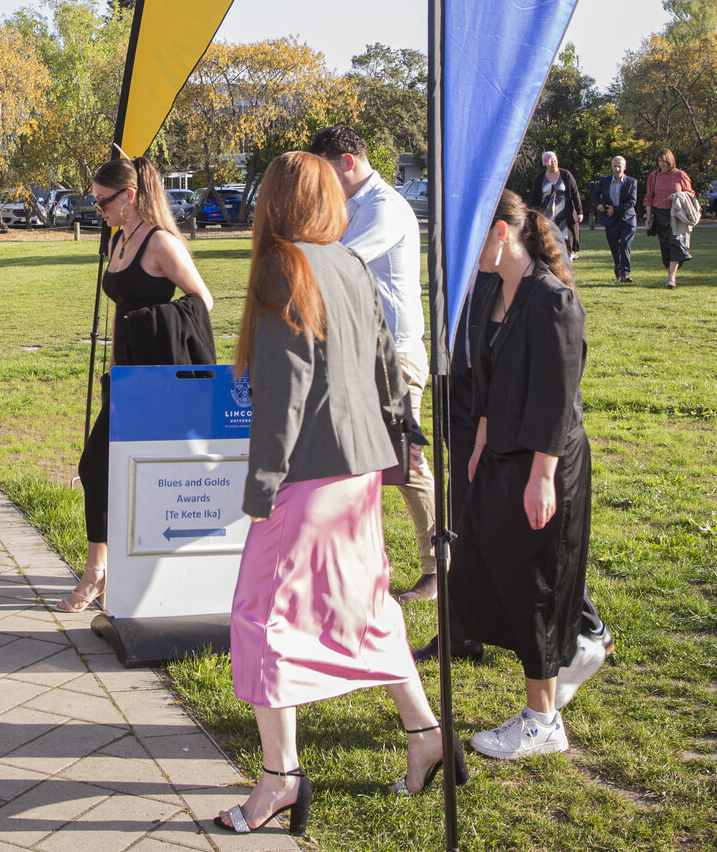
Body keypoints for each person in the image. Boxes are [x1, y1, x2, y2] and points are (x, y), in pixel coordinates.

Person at [215, 153, 461, 836]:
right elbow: (387, 365)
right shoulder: (349, 261)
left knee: (260, 616)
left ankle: (281, 776)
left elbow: (285, 384)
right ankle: (425, 731)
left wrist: (261, 482)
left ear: (273, 202)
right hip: (358, 471)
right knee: (366, 605)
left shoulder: (284, 264)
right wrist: (399, 435)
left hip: (307, 475)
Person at [448, 189, 608, 761]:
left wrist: (543, 474)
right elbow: (486, 373)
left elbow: (557, 398)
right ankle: (563, 666)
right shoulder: (497, 289)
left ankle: (542, 720)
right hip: (501, 454)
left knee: (538, 586)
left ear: (499, 232)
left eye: (474, 242)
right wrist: (484, 436)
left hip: (546, 462)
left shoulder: (552, 301)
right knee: (483, 571)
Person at [60, 152, 215, 613]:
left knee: (133, 471)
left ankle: (106, 571)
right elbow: (118, 307)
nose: (98, 210)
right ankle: (105, 568)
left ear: (129, 196)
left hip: (158, 377)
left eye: (104, 201)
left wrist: (148, 322)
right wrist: (113, 363)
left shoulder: (160, 243)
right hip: (125, 375)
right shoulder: (117, 239)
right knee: (99, 468)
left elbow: (201, 300)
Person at [308, 126, 439, 602]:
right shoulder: (351, 207)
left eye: (323, 170)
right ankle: (357, 568)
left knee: (407, 465)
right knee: (355, 465)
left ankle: (438, 569)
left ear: (346, 162)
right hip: (359, 352)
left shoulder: (384, 208)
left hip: (395, 358)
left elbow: (339, 263)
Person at [645, 149, 697, 288]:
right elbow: (649, 197)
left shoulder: (680, 175)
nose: (662, 164)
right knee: (665, 245)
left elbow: (690, 194)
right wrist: (648, 218)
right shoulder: (654, 176)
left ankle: (671, 278)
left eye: (664, 161)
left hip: (676, 215)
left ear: (670, 160)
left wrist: (678, 197)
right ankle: (670, 275)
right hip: (659, 214)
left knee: (676, 243)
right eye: (659, 161)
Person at [590, 155, 640, 284]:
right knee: (614, 247)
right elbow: (595, 195)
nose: (617, 169)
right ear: (611, 166)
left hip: (627, 219)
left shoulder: (631, 182)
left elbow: (632, 201)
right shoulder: (604, 181)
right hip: (610, 219)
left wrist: (616, 209)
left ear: (624, 167)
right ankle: (618, 272)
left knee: (625, 245)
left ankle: (625, 274)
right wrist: (598, 205)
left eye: (619, 166)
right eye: (615, 166)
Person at [529, 151, 584, 257]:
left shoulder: (566, 175)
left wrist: (579, 211)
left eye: (555, 160)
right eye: (550, 161)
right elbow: (534, 198)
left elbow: (575, 194)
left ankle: (568, 260)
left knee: (565, 239)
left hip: (564, 215)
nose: (554, 163)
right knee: (549, 240)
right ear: (545, 163)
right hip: (547, 216)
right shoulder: (540, 178)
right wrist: (532, 215)